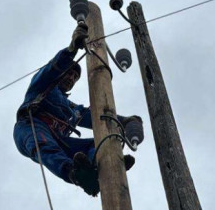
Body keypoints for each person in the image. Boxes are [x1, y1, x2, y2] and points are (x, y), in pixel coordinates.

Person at [13, 23, 143, 197]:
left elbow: (95, 116)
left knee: (100, 142)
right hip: (32, 126)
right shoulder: (43, 87)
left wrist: (124, 121)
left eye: (75, 77)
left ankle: (103, 168)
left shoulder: (71, 109)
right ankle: (75, 174)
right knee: (46, 145)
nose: (71, 78)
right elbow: (50, 70)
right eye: (69, 73)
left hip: (60, 138)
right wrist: (72, 50)